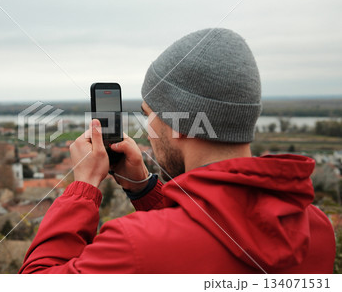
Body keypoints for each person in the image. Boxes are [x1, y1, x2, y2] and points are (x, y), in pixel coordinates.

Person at [19, 28, 335, 273]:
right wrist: (143, 188)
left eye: (148, 115)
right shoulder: (317, 229)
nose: (147, 131)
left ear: (180, 123)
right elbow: (206, 235)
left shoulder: (133, 245)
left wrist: (83, 189)